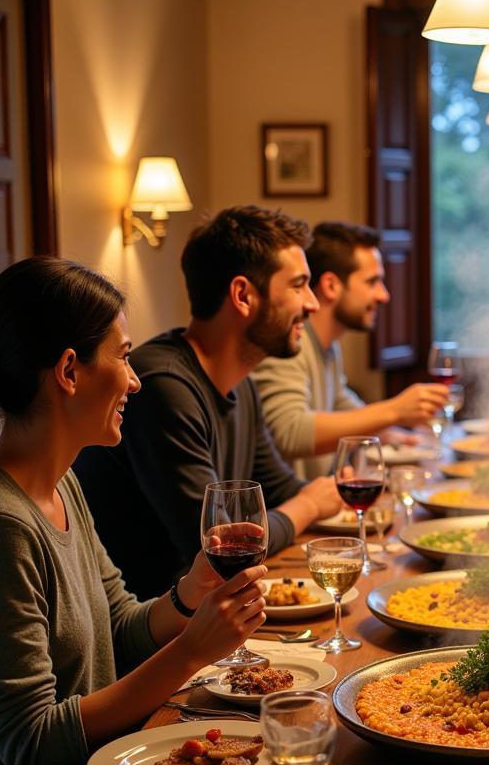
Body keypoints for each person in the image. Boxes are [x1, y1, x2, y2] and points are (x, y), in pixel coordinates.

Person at [0, 257, 269, 765]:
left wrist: (186, 598)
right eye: (122, 357)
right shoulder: (5, 528)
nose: (136, 381)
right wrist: (194, 652)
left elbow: (119, 623)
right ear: (68, 372)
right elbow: (31, 749)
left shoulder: (62, 484)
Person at [74, 205, 343, 599]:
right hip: (158, 632)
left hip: (211, 615)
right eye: (299, 285)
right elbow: (214, 545)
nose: (313, 304)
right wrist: (309, 505)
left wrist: (325, 502)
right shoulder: (163, 386)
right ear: (242, 295)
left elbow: (279, 486)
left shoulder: (241, 382)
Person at [253, 221, 449, 478]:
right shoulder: (290, 343)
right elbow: (290, 432)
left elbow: (340, 404)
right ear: (331, 285)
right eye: (372, 282)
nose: (384, 295)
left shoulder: (328, 345)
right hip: (291, 510)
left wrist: (388, 433)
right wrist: (395, 411)